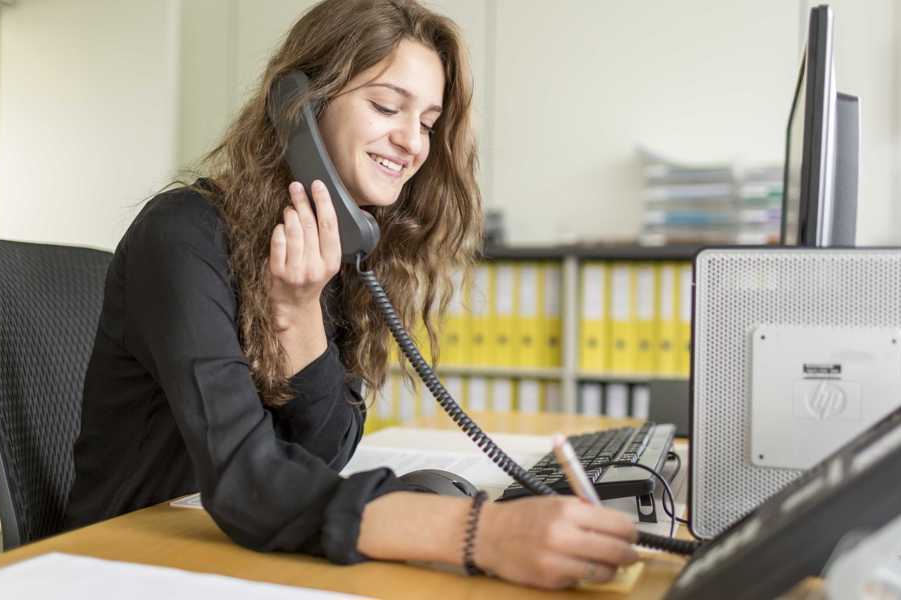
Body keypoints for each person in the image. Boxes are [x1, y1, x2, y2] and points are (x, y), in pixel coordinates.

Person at [62, 0, 639, 589]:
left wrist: (297, 311)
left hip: (234, 555)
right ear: (300, 108)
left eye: (428, 123)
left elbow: (322, 452)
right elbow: (246, 481)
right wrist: (479, 533)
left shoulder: (342, 249)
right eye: (387, 106)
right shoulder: (183, 234)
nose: (412, 142)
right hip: (119, 561)